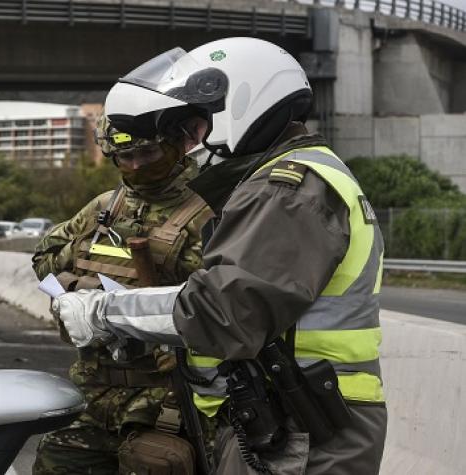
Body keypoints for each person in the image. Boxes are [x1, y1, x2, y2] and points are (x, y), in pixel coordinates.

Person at [51, 37, 387, 474]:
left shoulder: (286, 190)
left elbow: (223, 310)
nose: (191, 145)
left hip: (303, 430)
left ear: (240, 102)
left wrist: (104, 311)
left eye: (196, 127)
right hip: (293, 419)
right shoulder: (295, 179)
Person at [31, 113, 213, 474]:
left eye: (147, 155)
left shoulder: (209, 210)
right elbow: (44, 259)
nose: (135, 166)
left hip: (168, 404)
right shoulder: (104, 208)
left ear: (178, 145)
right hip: (95, 398)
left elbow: (222, 302)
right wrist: (81, 286)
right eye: (124, 158)